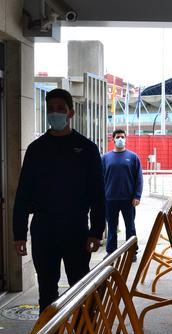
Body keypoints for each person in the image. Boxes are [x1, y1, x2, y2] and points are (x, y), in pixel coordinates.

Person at [12, 88, 105, 312]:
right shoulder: (36, 150)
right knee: (47, 292)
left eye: (60, 109)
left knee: (81, 289)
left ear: (71, 113)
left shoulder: (87, 149)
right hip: (44, 231)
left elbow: (98, 195)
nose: (55, 114)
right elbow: (23, 194)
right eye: (51, 110)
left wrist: (96, 231)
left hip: (76, 231)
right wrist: (19, 234)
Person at [101, 129, 143, 254]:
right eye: (118, 137)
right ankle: (111, 253)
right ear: (113, 139)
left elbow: (139, 179)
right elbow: (100, 179)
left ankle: (132, 252)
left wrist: (137, 196)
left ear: (125, 138)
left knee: (130, 228)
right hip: (110, 200)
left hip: (128, 200)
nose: (120, 139)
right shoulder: (105, 158)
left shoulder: (133, 157)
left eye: (122, 137)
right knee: (112, 229)